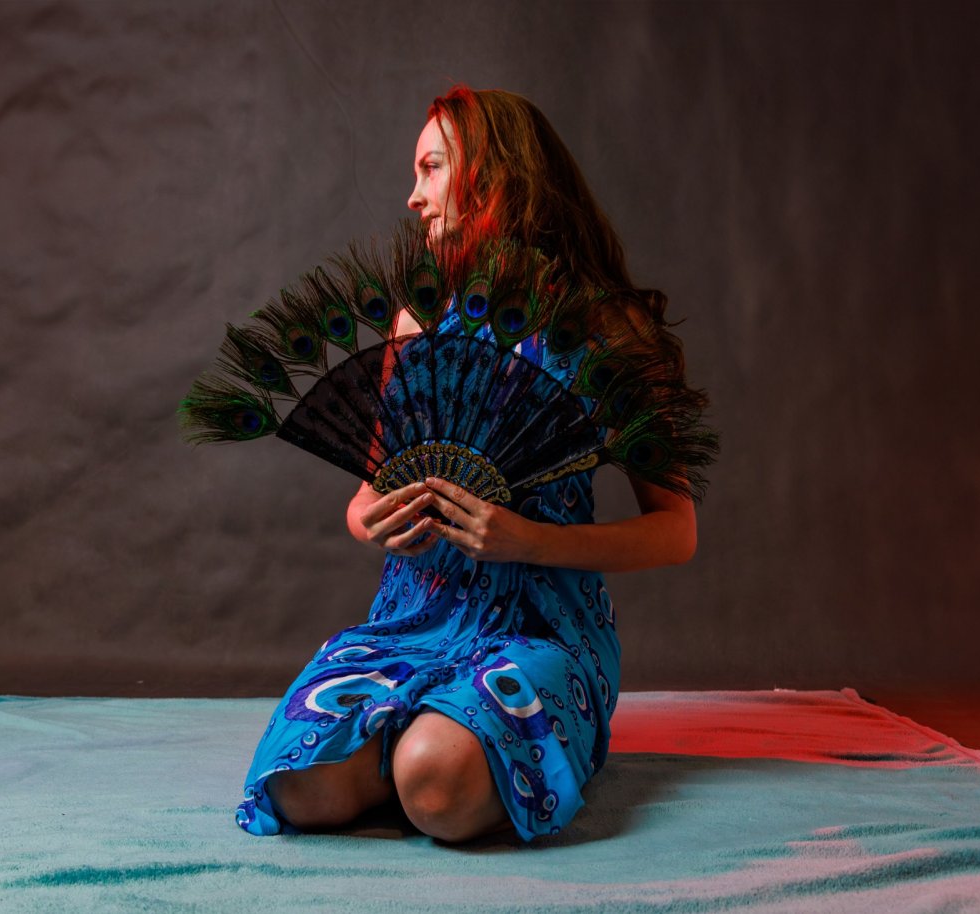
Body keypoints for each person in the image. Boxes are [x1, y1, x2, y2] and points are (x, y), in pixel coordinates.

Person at [234, 86, 702, 843]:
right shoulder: (414, 322)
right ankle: (428, 740)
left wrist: (529, 540)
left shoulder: (608, 330)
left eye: (431, 168)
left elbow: (676, 530)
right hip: (414, 619)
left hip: (541, 630)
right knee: (298, 785)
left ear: (494, 178)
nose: (413, 197)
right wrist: (375, 522)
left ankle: (446, 753)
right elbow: (363, 500)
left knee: (436, 785)